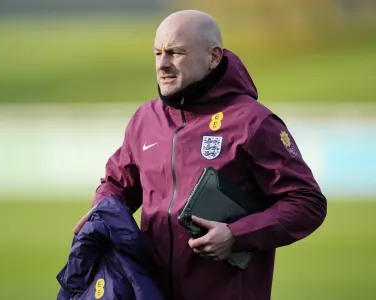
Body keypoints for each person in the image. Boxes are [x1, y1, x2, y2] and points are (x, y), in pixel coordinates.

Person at [73, 10, 327, 300]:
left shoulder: (253, 123)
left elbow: (308, 203)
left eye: (176, 52)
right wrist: (102, 212)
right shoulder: (146, 119)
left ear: (214, 57)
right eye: (157, 53)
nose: (163, 64)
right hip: (150, 292)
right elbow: (118, 184)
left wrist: (235, 235)